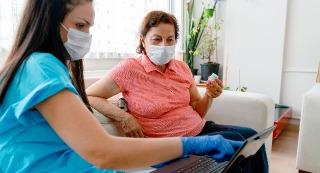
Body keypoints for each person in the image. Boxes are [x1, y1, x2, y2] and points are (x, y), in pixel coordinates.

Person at [0, 0, 244, 172]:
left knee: (247, 142)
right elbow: (103, 151)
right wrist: (194, 144)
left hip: (85, 164)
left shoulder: (49, 66)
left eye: (89, 27)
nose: (86, 36)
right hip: (169, 140)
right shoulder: (40, 67)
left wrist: (209, 98)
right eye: (80, 26)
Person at [86, 11, 269, 172]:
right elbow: (90, 95)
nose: (164, 45)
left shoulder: (181, 67)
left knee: (253, 136)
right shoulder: (129, 69)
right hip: (170, 144)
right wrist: (125, 117)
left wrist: (209, 96)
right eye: (157, 39)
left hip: (201, 129)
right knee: (236, 145)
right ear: (143, 40)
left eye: (170, 39)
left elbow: (197, 107)